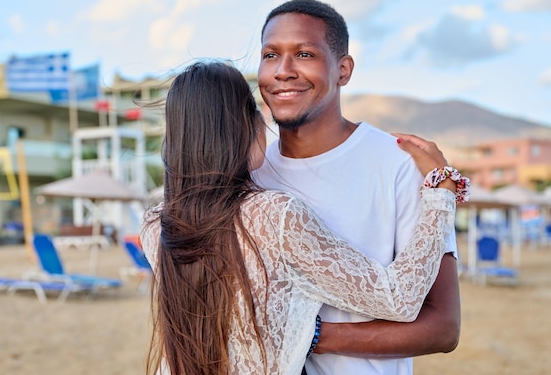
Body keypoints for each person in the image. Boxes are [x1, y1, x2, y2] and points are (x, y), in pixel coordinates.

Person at [139, 60, 466, 375]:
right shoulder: (273, 217)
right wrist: (441, 193)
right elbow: (400, 299)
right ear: (243, 127)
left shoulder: (156, 226)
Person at [253, 0, 462, 375]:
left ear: (343, 70)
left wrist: (310, 335)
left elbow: (443, 326)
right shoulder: (251, 176)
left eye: (303, 53)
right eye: (270, 55)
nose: (283, 71)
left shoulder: (400, 165)